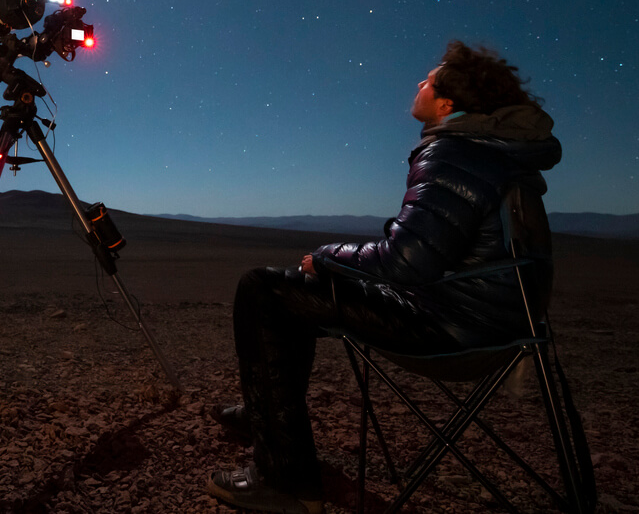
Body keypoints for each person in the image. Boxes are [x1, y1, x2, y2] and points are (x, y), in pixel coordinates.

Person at [206, 41, 562, 514]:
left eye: (429, 80)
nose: (419, 83)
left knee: (263, 290)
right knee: (294, 291)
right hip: (493, 320)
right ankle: (263, 416)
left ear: (447, 103)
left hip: (453, 325)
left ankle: (287, 480)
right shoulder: (491, 153)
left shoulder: (455, 153)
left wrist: (328, 255)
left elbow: (406, 263)